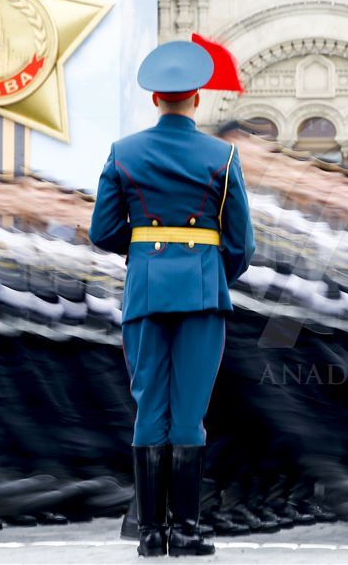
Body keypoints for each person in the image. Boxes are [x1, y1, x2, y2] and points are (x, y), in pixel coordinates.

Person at [89, 40, 254, 557]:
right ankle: (185, 532)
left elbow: (103, 230)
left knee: (148, 408)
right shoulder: (222, 155)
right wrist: (209, 271)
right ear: (197, 99)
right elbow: (241, 243)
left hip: (145, 290)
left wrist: (145, 257)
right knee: (189, 413)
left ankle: (149, 535)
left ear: (154, 98)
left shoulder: (124, 152)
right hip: (203, 293)